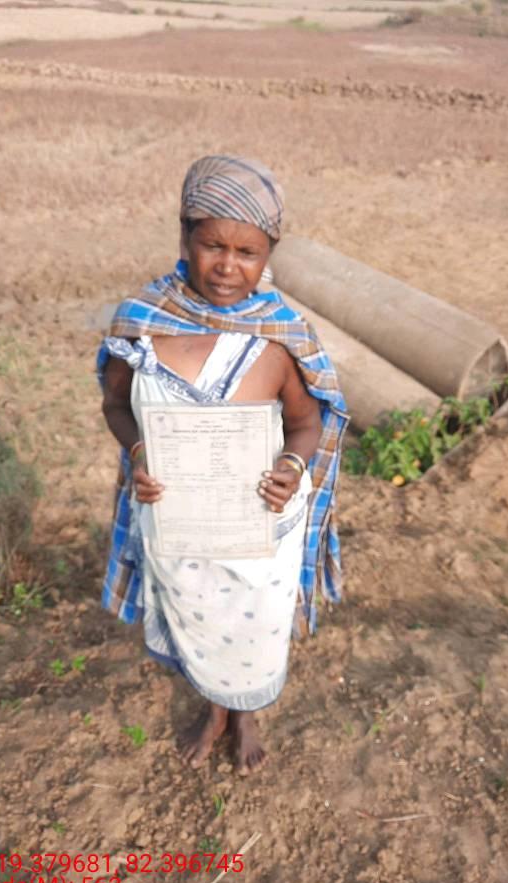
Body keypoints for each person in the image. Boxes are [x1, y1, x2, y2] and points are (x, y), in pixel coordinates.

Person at [97, 155, 348, 774]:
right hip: (180, 521)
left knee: (255, 623)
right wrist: (139, 451)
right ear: (185, 238)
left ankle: (246, 712)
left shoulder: (279, 337)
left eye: (248, 252)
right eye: (213, 246)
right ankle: (215, 709)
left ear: (269, 256)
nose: (228, 266)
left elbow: (308, 423)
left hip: (258, 523)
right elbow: (116, 406)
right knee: (198, 613)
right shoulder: (143, 324)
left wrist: (292, 467)